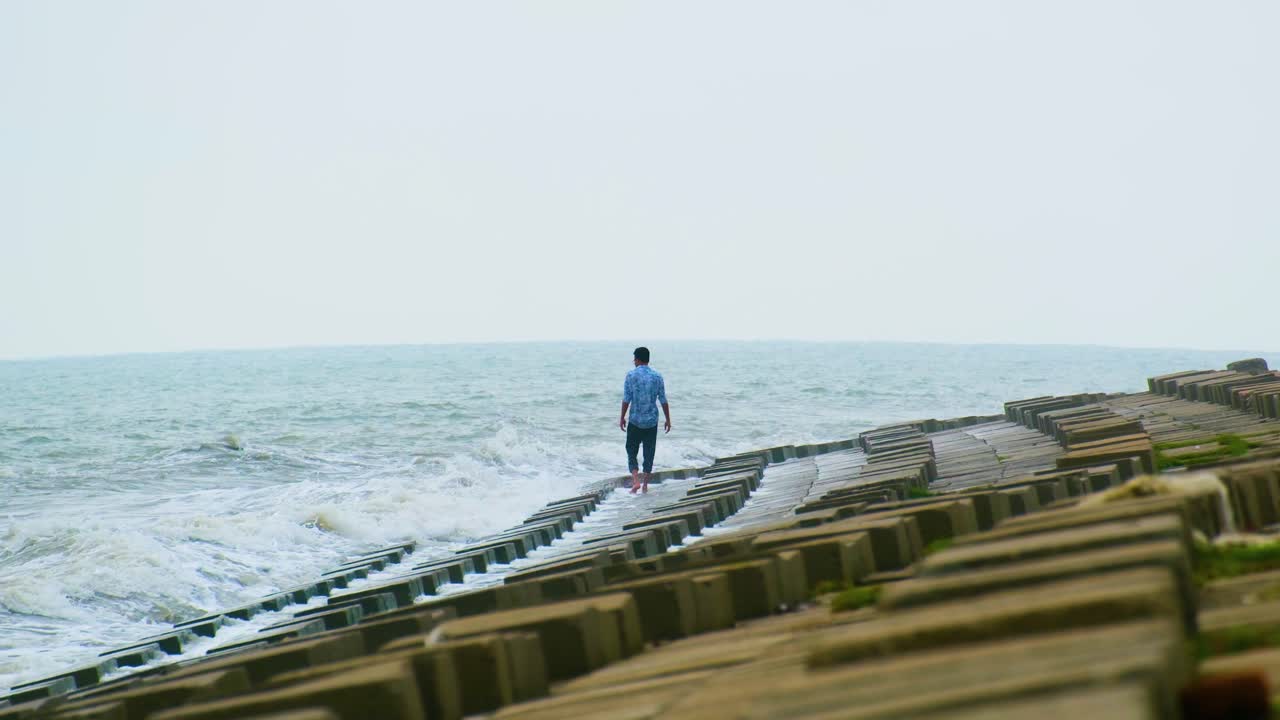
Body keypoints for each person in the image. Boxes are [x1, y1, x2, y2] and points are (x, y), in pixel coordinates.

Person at [619, 346, 671, 494]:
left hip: (635, 420)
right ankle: (646, 485)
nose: (633, 361)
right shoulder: (657, 376)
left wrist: (622, 417)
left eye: (634, 358)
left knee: (631, 449)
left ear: (637, 359)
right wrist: (668, 419)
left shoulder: (630, 375)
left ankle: (636, 481)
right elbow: (663, 400)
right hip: (651, 421)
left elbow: (626, 399)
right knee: (649, 452)